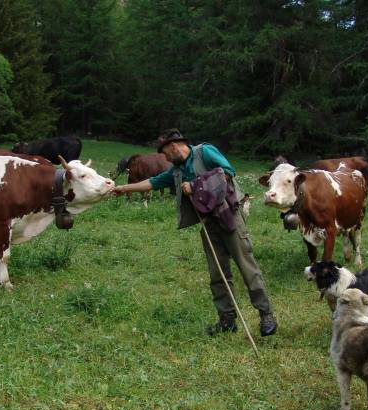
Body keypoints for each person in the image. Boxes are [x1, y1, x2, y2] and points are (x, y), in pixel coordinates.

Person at [113, 129, 277, 336]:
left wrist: (196, 184)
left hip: (229, 216)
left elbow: (228, 171)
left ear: (173, 147)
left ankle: (266, 315)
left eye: (165, 153)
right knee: (217, 273)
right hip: (209, 222)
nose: (165, 158)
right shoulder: (177, 170)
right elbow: (153, 183)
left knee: (247, 268)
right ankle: (227, 320)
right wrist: (124, 188)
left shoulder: (204, 152)